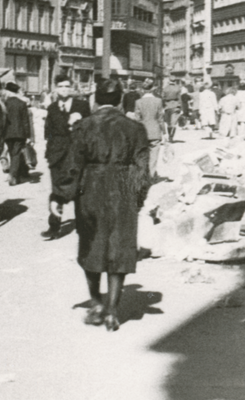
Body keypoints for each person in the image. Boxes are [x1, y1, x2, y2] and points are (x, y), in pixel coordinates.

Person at [57, 76, 150, 331]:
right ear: (120, 100)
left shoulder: (83, 127)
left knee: (92, 244)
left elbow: (72, 166)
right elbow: (143, 170)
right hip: (123, 189)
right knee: (120, 245)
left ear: (96, 99)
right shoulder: (135, 129)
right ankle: (112, 311)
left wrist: (61, 196)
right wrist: (138, 198)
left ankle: (96, 303)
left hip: (91, 189)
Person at [44, 72, 90, 239]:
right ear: (55, 89)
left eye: (66, 86)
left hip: (77, 154)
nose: (63, 90)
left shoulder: (82, 106)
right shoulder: (51, 108)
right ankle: (54, 226)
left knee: (79, 189)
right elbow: (48, 132)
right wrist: (49, 154)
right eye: (60, 86)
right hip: (56, 154)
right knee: (56, 190)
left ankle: (82, 225)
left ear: (72, 88)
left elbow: (90, 130)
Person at [134, 77, 166, 176]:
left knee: (143, 155)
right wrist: (164, 132)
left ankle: (142, 174)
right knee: (153, 156)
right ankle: (151, 175)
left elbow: (137, 119)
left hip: (142, 131)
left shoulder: (138, 102)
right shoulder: (158, 101)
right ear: (153, 89)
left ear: (143, 90)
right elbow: (160, 118)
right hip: (155, 131)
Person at [3, 82, 32, 185]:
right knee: (16, 154)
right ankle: (12, 175)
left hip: (7, 133)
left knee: (12, 154)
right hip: (20, 133)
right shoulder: (22, 103)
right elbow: (25, 121)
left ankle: (16, 176)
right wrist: (28, 135)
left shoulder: (4, 103)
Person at [161, 73, 182, 140]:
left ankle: (169, 134)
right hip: (175, 105)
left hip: (167, 106)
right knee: (174, 122)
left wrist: (163, 106)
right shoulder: (178, 87)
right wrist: (180, 106)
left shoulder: (165, 88)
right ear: (175, 81)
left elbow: (163, 98)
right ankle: (171, 136)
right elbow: (179, 98)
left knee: (168, 122)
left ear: (169, 80)